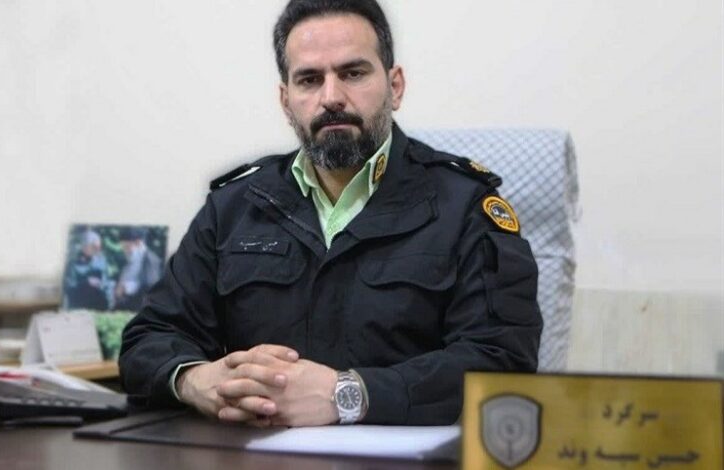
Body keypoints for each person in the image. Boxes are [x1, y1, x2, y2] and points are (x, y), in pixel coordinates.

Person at [119, 0, 542, 427]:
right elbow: (148, 339)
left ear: (395, 86)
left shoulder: (464, 205)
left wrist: (349, 395)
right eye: (309, 79)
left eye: (353, 73)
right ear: (286, 101)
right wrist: (195, 380)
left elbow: (502, 361)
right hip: (251, 452)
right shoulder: (234, 207)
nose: (331, 97)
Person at [114, 227, 163, 311]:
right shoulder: (131, 257)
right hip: (124, 307)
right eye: (123, 248)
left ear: (138, 243)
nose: (125, 251)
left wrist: (126, 287)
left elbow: (151, 286)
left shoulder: (151, 260)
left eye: (127, 247)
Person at [63, 229, 111, 310]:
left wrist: (101, 284)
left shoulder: (101, 260)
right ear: (84, 247)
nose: (97, 250)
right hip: (79, 305)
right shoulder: (73, 263)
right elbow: (69, 287)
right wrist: (86, 283)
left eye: (99, 247)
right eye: (94, 247)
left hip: (99, 304)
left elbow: (107, 282)